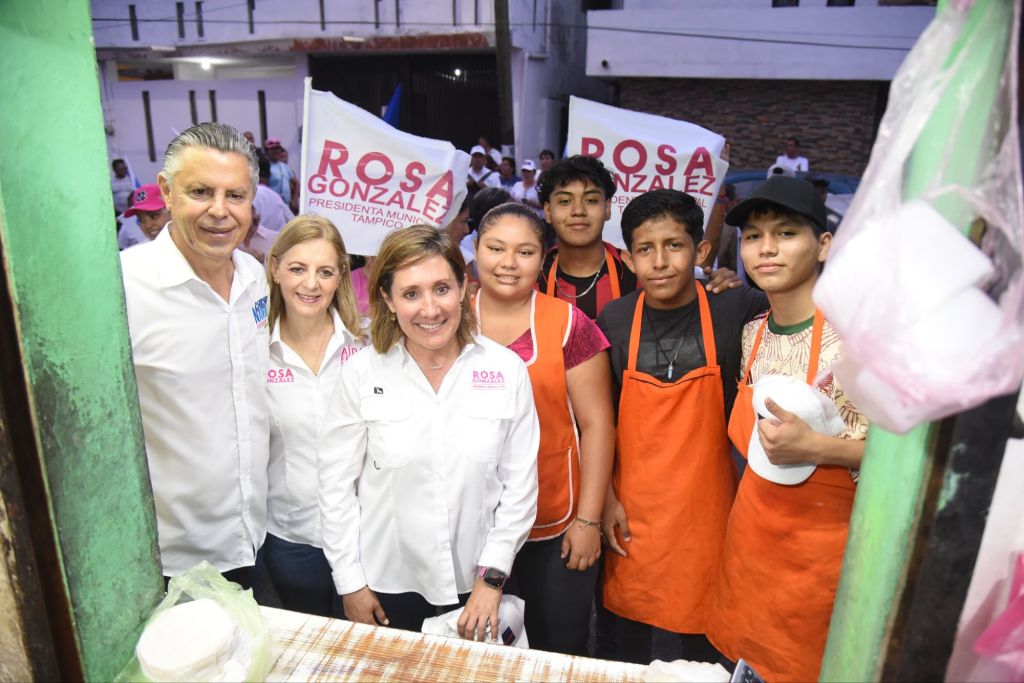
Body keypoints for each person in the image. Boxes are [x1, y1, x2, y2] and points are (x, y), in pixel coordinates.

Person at [319, 225, 540, 640]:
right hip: (385, 585)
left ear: (463, 287)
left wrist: (492, 579)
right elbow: (335, 487)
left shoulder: (506, 370)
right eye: (411, 293)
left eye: (441, 288)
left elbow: (520, 487)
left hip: (478, 584)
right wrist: (350, 583)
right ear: (387, 300)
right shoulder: (361, 373)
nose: (430, 309)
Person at [706, 177, 868, 682]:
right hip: (751, 554)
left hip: (825, 564)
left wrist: (817, 447)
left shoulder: (859, 340)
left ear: (824, 245)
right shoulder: (752, 334)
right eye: (753, 236)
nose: (767, 248)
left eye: (786, 233)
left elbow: (909, 456)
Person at [596, 189, 768, 664]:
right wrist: (604, 498)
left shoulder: (734, 308)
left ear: (702, 250)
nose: (660, 261)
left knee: (704, 648)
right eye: (645, 249)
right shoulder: (615, 319)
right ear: (628, 258)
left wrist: (738, 279)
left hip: (708, 514)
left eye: (674, 245)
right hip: (630, 511)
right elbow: (599, 420)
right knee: (624, 646)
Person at [121, 122, 269, 588]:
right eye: (201, 192)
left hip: (252, 535)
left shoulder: (254, 276)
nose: (219, 211)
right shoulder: (124, 285)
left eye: (235, 195)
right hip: (171, 557)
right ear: (167, 192)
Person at [473, 203, 614, 655]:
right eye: (496, 248)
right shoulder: (449, 316)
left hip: (554, 518)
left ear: (543, 258)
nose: (508, 263)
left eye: (525, 251)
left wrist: (588, 519)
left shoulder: (569, 323)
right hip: (470, 520)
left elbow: (597, 424)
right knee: (478, 651)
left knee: (557, 647)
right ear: (475, 250)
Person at [262, 215, 367, 617]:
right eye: (297, 269)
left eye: (325, 271)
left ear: (341, 275)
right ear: (275, 269)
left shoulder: (368, 346)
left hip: (366, 536)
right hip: (293, 538)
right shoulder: (253, 351)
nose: (311, 284)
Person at [537, 155, 638, 320]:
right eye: (565, 201)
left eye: (591, 200)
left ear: (607, 208)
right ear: (548, 211)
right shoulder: (534, 275)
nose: (578, 211)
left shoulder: (635, 271)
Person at [118, 184, 170, 249]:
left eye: (154, 216)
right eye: (141, 220)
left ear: (172, 212)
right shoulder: (138, 253)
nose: (148, 225)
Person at [253, 152, 295, 233]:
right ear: (269, 175)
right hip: (279, 239)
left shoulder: (244, 196)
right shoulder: (275, 196)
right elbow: (293, 222)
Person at [265, 137, 299, 213]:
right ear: (267, 151)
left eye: (278, 148)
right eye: (273, 149)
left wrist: (294, 200)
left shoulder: (285, 166)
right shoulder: (265, 166)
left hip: (286, 206)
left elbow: (296, 183)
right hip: (272, 206)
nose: (276, 151)